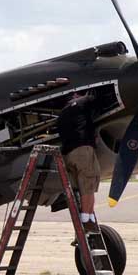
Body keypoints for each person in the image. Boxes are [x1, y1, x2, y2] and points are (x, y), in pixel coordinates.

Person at [56, 90, 101, 231]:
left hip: (68, 155)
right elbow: (98, 98)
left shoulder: (62, 112)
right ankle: (86, 219)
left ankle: (90, 218)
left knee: (81, 187)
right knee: (88, 184)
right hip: (82, 149)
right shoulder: (83, 101)